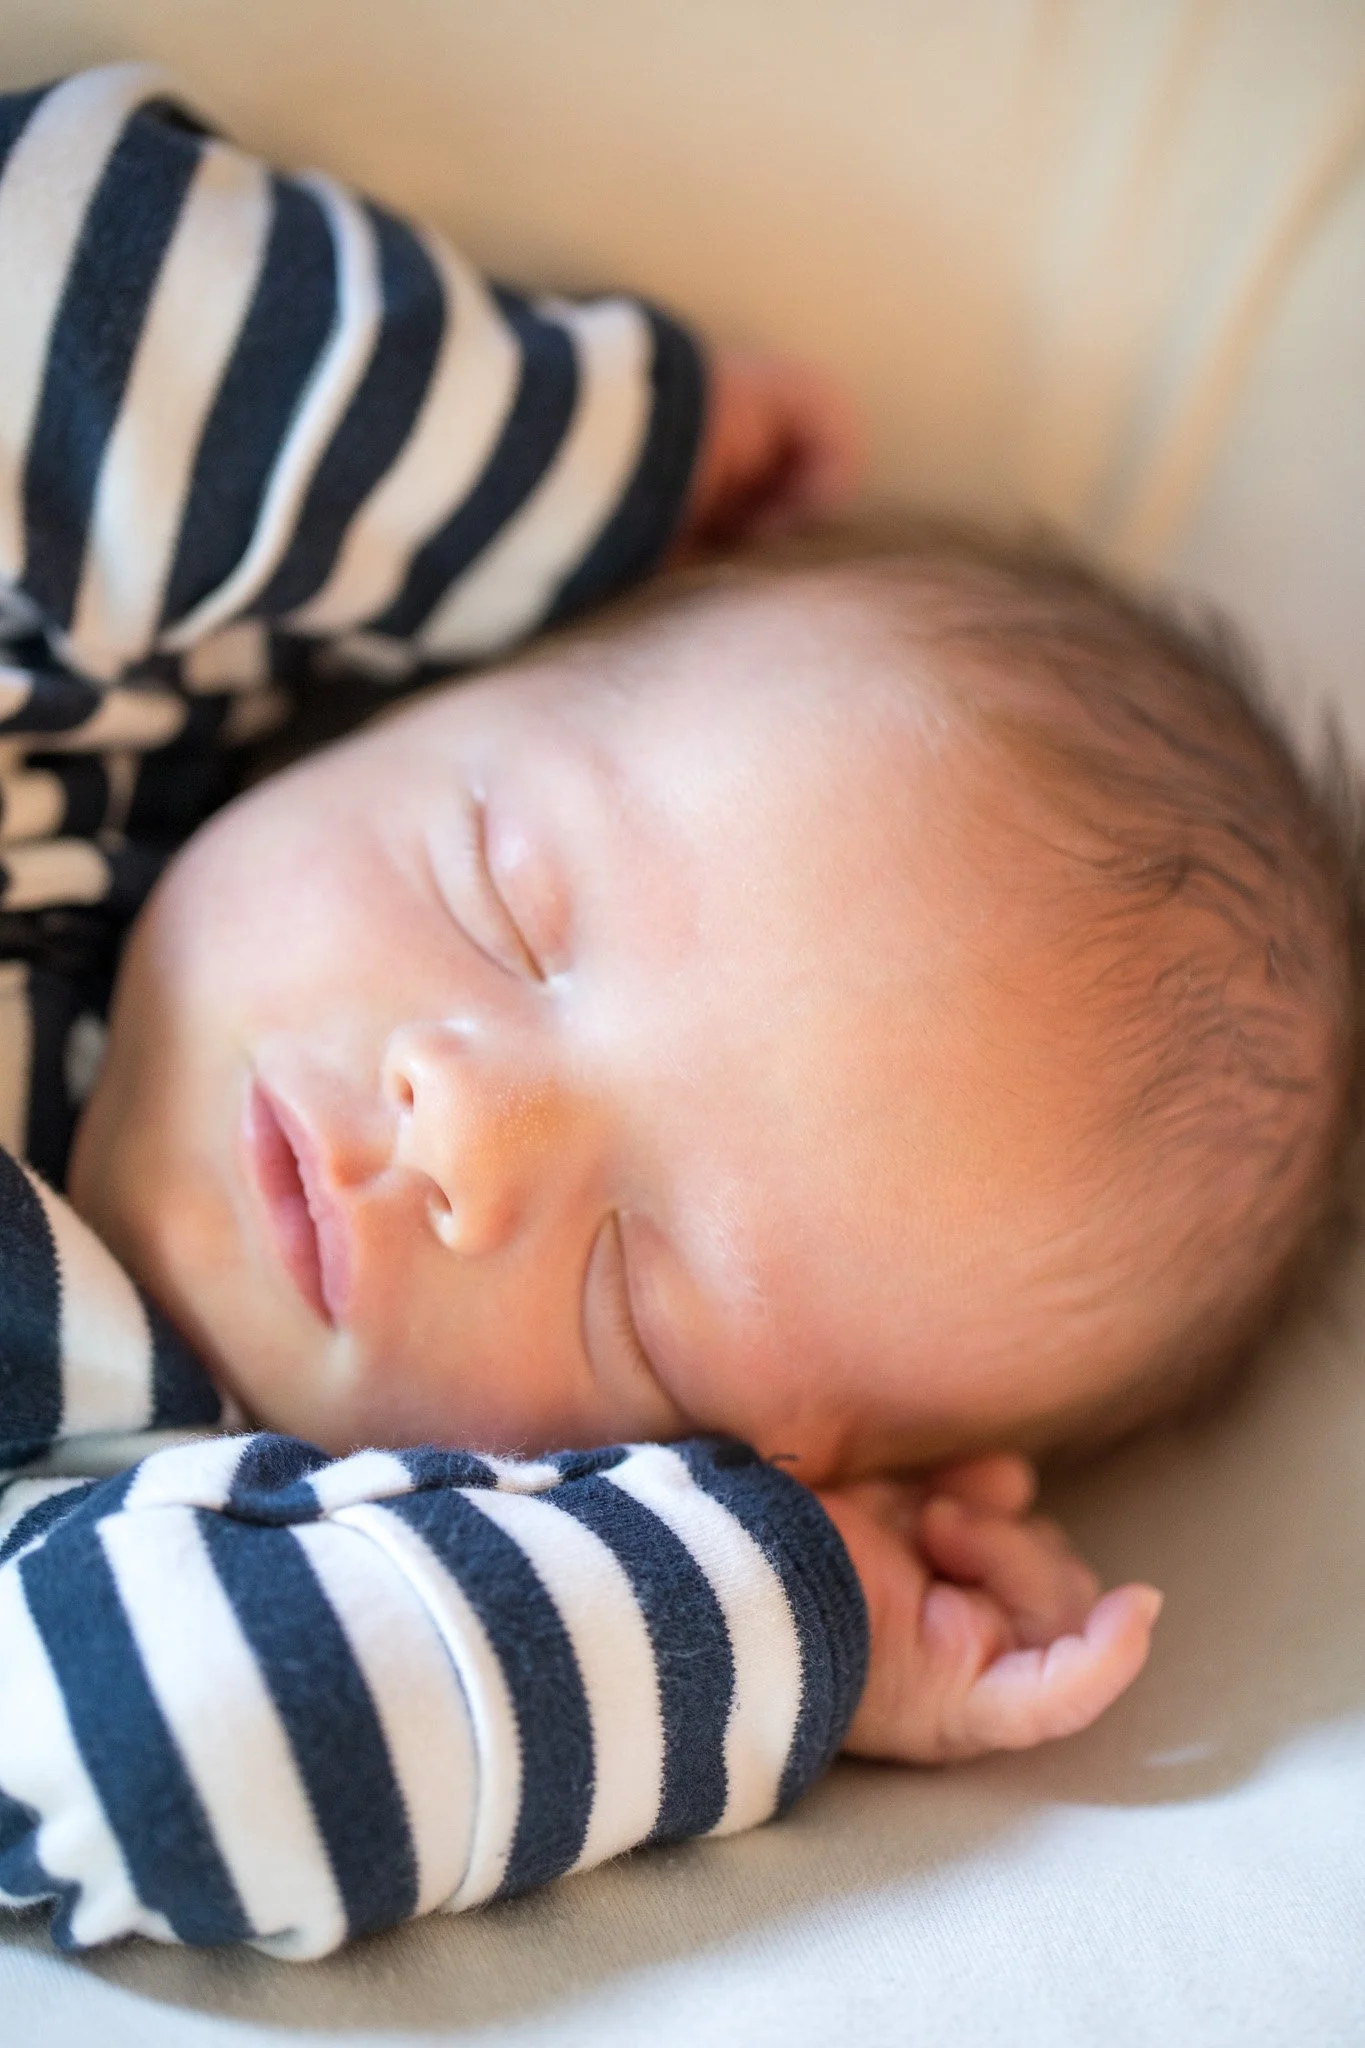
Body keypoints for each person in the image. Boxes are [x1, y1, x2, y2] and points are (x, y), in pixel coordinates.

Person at [0, 64, 1348, 1959]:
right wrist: (583, 459)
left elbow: (188, 1761)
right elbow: (54, 256)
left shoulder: (149, 1516)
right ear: (430, 684)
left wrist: (797, 1616)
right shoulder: (70, 708)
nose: (467, 1135)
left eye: (635, 1291)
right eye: (500, 898)